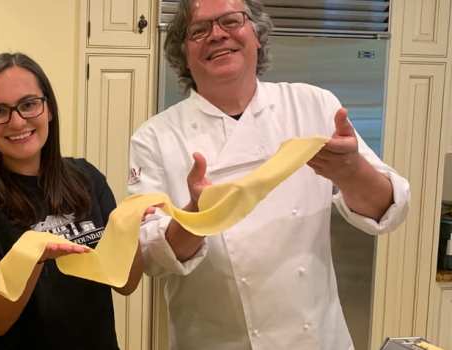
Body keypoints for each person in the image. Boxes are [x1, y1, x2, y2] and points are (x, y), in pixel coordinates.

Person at [128, 0, 411, 349]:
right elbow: (149, 258)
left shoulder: (312, 104)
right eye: (199, 30)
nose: (217, 35)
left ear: (257, 35)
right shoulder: (155, 137)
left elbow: (391, 210)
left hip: (316, 339)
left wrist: (352, 172)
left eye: (231, 21)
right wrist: (198, 217)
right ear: (183, 54)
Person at [0, 52, 144, 349]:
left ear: (48, 109)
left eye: (29, 104)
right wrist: (33, 257)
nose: (17, 121)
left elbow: (125, 283)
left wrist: (130, 231)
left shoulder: (87, 178)